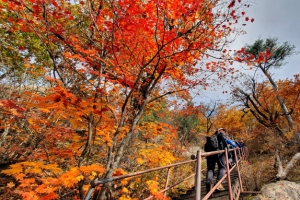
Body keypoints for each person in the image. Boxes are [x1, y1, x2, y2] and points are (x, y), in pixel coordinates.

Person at [205, 128, 228, 193]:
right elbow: (225, 145)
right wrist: (227, 153)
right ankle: (218, 184)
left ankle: (209, 182)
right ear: (221, 131)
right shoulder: (221, 135)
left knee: (210, 169)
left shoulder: (212, 137)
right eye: (223, 131)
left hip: (210, 154)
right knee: (222, 167)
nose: (224, 132)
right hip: (219, 153)